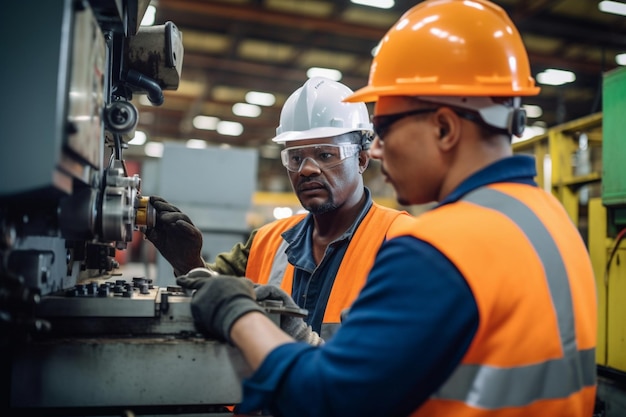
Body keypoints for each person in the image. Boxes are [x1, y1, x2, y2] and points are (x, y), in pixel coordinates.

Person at [174, 0, 598, 416]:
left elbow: (326, 397)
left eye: (386, 128)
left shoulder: (438, 248)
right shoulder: (549, 219)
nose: (376, 149)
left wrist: (238, 314)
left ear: (445, 127)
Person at [146, 76, 410, 342]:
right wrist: (189, 262)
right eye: (295, 158)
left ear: (362, 159)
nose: (307, 169)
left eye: (325, 155)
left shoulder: (401, 240)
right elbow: (215, 294)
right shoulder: (267, 241)